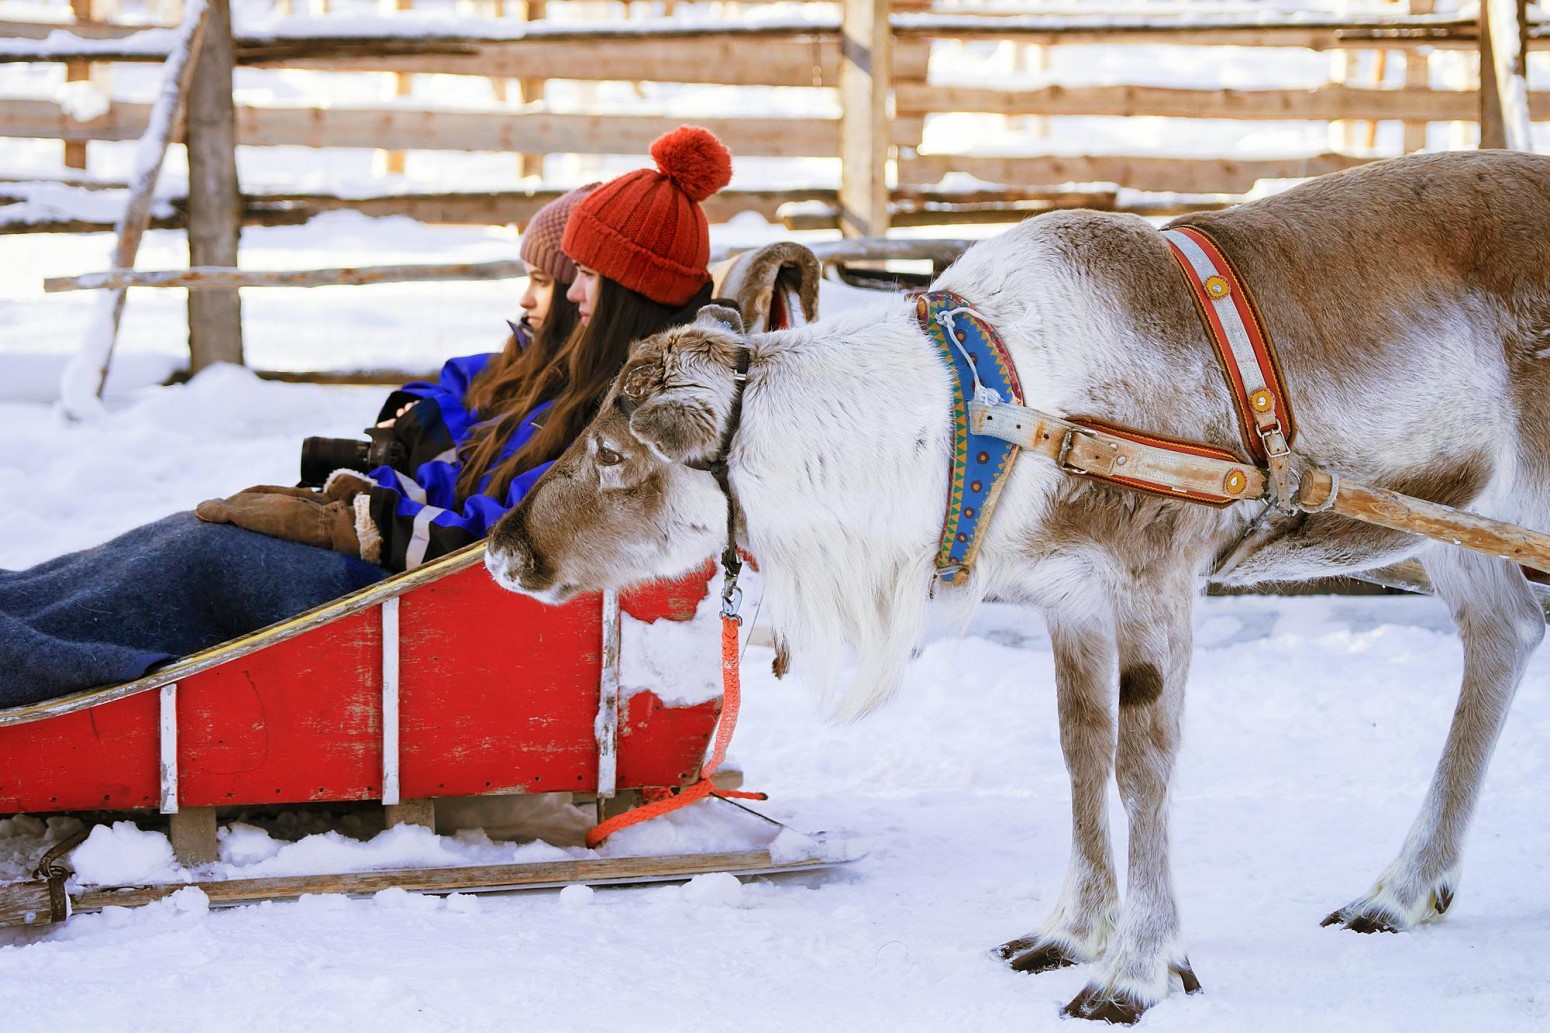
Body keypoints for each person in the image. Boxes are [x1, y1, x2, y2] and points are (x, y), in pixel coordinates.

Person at [0, 125, 736, 707]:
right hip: (415, 585)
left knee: (208, 558)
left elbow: (511, 540)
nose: (573, 293)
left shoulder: (615, 432)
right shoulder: (586, 387)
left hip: (435, 613)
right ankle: (17, 609)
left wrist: (365, 520)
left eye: (589, 278)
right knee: (202, 532)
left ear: (627, 291)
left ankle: (29, 664)